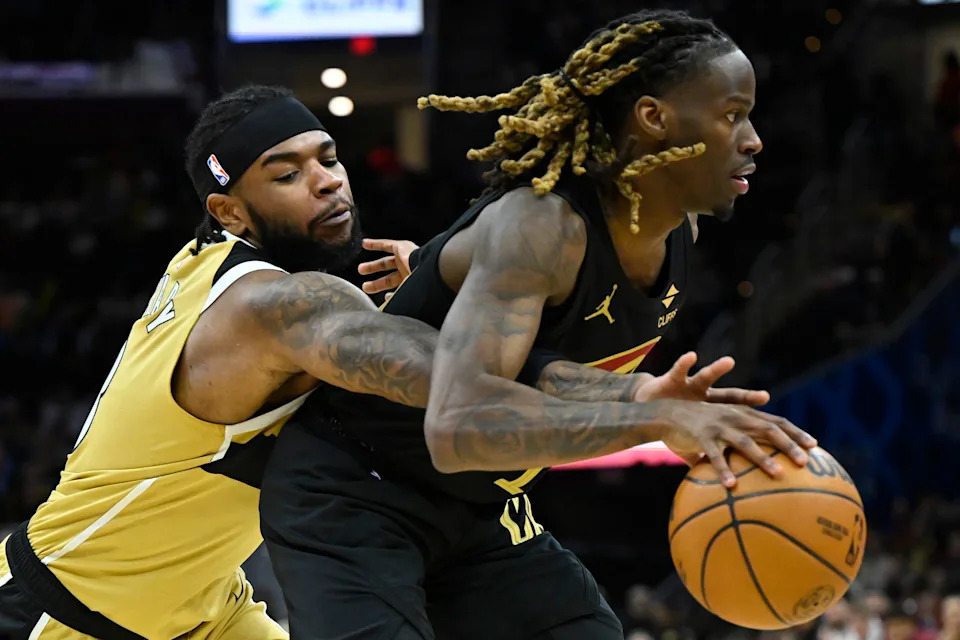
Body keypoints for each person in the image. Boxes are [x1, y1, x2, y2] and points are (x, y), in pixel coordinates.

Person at [0, 85, 741, 640]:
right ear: (229, 210)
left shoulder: (217, 265)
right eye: (284, 175)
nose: (327, 180)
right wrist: (638, 402)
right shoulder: (270, 309)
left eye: (328, 158)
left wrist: (428, 281)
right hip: (62, 612)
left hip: (206, 612)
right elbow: (456, 376)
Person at [260, 9, 817, 640]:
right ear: (654, 118)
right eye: (730, 114)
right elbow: (459, 426)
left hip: (482, 509)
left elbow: (535, 369)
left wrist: (642, 394)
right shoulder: (542, 226)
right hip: (353, 492)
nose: (753, 139)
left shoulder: (676, 230)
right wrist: (653, 421)